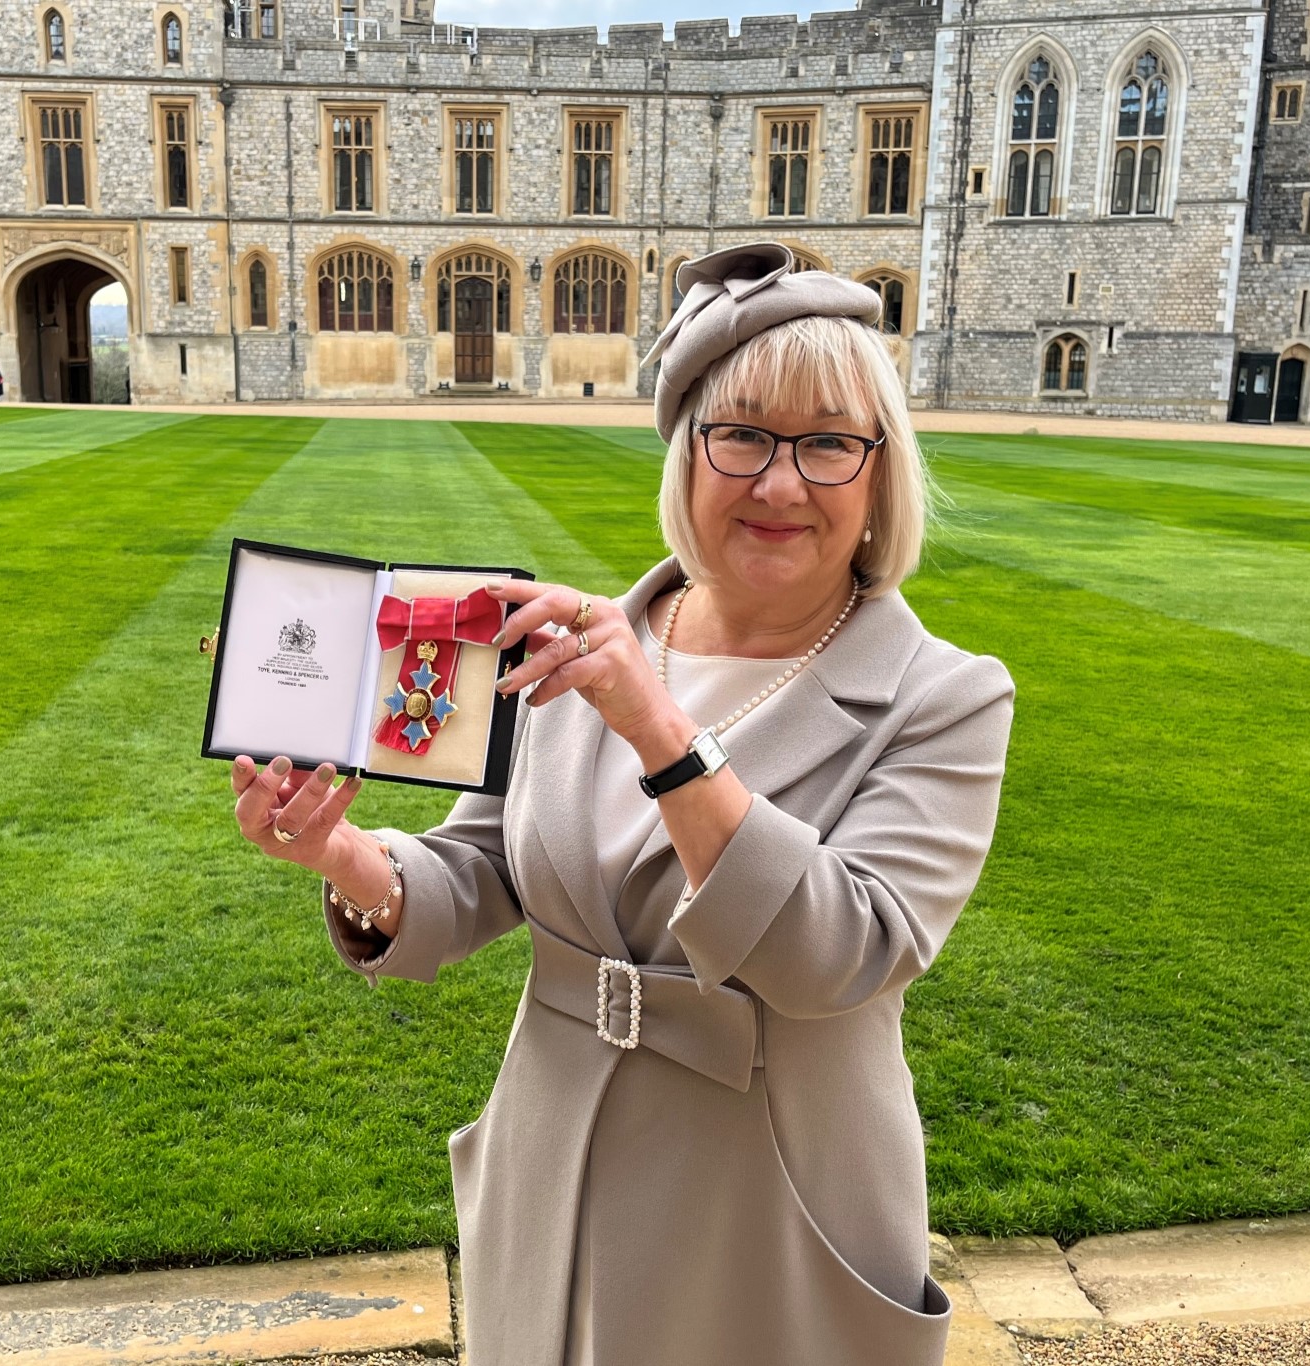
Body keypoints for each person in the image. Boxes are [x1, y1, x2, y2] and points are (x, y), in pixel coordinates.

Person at [227, 242, 1015, 1366]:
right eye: (739, 434)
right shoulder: (592, 645)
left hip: (769, 1192)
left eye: (828, 444)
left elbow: (843, 952)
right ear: (686, 451)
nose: (779, 484)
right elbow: (487, 869)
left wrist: (659, 731)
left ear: (879, 471)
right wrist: (347, 856)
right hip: (553, 1164)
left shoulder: (942, 697)